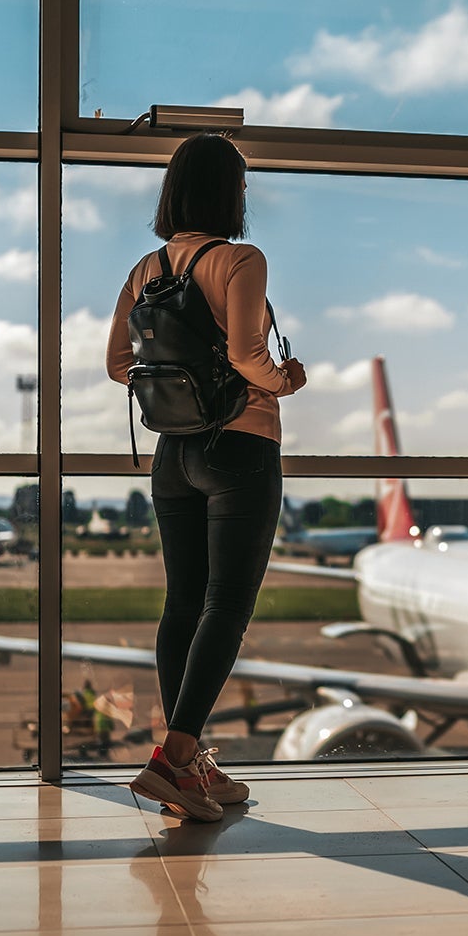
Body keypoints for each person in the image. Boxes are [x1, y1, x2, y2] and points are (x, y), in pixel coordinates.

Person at [106, 133, 306, 822]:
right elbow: (251, 357)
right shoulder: (240, 259)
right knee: (227, 605)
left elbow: (116, 364)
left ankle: (188, 767)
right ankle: (174, 756)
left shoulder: (145, 268)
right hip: (241, 447)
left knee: (182, 604)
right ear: (228, 194)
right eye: (242, 188)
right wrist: (286, 380)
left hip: (172, 457)